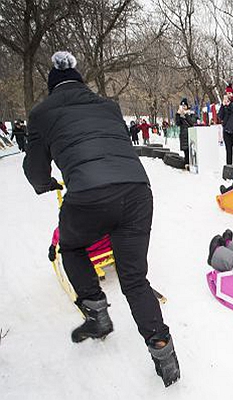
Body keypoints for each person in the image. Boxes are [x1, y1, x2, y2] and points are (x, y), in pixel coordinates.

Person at [22, 51, 179, 387]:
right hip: (137, 191)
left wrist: (45, 184)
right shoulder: (107, 105)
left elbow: (35, 169)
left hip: (89, 195)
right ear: (80, 81)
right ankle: (165, 354)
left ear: (52, 86)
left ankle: (97, 314)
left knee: (71, 246)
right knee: (135, 280)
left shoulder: (42, 113)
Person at [176, 98, 196, 164]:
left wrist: (186, 114)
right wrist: (178, 114)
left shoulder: (191, 113)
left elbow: (192, 122)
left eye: (184, 106)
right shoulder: (180, 115)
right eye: (182, 106)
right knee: (186, 152)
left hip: (191, 136)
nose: (183, 107)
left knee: (192, 152)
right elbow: (178, 123)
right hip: (183, 135)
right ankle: (187, 164)